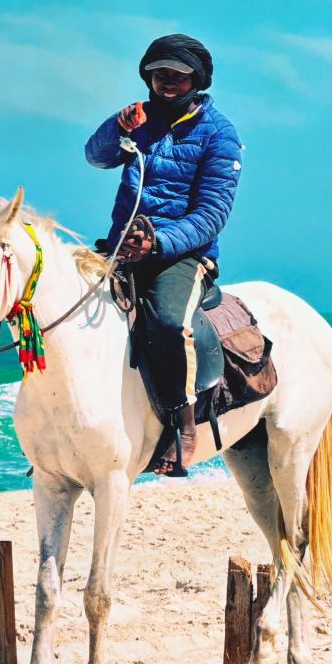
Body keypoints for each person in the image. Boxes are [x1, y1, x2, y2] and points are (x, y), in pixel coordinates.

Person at [84, 34, 243, 476]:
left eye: (176, 74)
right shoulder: (139, 119)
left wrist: (158, 243)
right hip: (123, 246)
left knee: (169, 321)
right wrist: (118, 128)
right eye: (157, 74)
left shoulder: (220, 134)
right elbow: (95, 157)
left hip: (183, 255)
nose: (165, 82)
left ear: (196, 78)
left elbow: (211, 214)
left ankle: (182, 421)